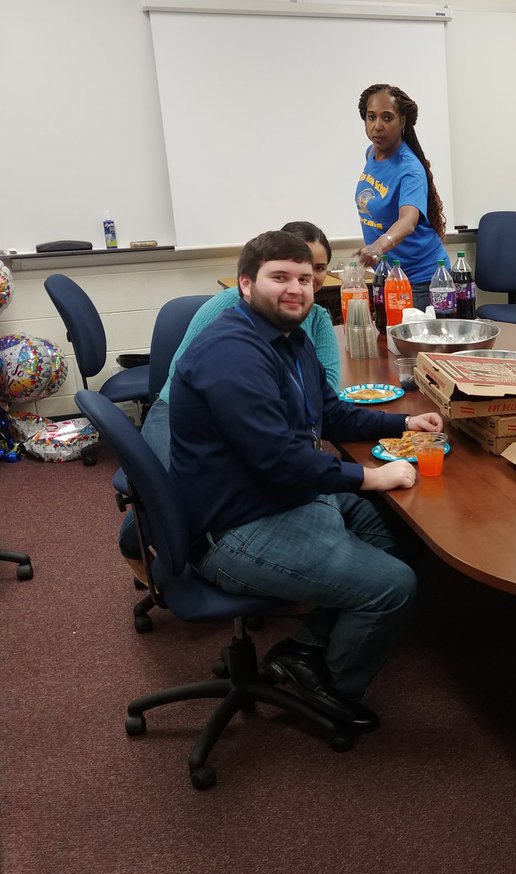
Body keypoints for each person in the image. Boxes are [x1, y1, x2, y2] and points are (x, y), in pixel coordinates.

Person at [169, 230, 444, 732]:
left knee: (397, 536)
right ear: (245, 285)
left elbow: (331, 414)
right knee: (394, 584)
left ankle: (306, 648)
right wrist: (370, 477)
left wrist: (402, 423)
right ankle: (333, 689)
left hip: (281, 496)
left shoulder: (288, 339)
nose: (296, 288)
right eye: (280, 277)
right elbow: (280, 461)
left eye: (304, 278)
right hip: (237, 528)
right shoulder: (232, 353)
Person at [117, 221, 339, 566]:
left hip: (249, 417)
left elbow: (327, 388)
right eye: (288, 270)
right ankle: (148, 540)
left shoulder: (317, 319)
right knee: (169, 499)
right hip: (181, 410)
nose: (304, 277)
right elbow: (193, 373)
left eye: (316, 268)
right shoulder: (228, 309)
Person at [353, 83, 449, 311]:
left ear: (402, 121)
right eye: (371, 117)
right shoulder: (371, 154)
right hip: (391, 275)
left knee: (415, 346)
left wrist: (379, 245)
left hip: (422, 280)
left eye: (387, 118)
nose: (377, 126)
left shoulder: (409, 169)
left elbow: (408, 220)